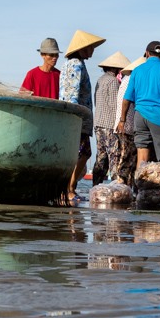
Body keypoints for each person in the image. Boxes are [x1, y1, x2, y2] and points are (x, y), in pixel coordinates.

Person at [117, 41, 160, 169]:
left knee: (142, 153)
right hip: (159, 116)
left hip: (140, 115)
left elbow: (127, 99)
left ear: (147, 53)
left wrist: (122, 120)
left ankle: (140, 185)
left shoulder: (137, 71)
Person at [60, 29, 106, 206]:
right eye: (90, 47)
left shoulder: (75, 64)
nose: (92, 50)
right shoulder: (75, 65)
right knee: (83, 153)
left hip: (78, 119)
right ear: (82, 48)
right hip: (76, 119)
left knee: (81, 153)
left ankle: (70, 188)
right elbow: (72, 94)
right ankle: (69, 188)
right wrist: (75, 118)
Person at [91, 51, 130, 186]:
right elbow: (115, 105)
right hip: (108, 124)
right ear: (115, 68)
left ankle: (96, 185)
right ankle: (115, 185)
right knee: (114, 155)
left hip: (98, 122)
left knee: (101, 156)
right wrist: (121, 122)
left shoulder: (100, 80)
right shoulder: (113, 81)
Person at [114, 56, 144, 187]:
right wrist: (123, 121)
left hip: (125, 124)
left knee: (127, 158)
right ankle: (121, 186)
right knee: (126, 158)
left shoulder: (126, 80)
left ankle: (124, 187)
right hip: (127, 125)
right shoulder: (131, 80)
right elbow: (126, 102)